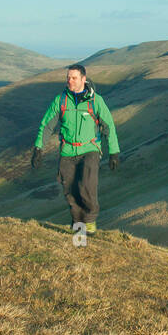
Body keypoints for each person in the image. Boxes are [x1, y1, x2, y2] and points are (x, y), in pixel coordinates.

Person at [31, 64, 120, 234]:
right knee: (70, 192)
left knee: (87, 186)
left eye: (74, 78)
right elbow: (46, 125)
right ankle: (78, 225)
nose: (69, 81)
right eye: (68, 77)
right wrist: (38, 148)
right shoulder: (61, 100)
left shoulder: (96, 101)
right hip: (67, 151)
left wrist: (114, 152)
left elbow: (109, 126)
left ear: (83, 79)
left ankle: (90, 219)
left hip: (90, 149)